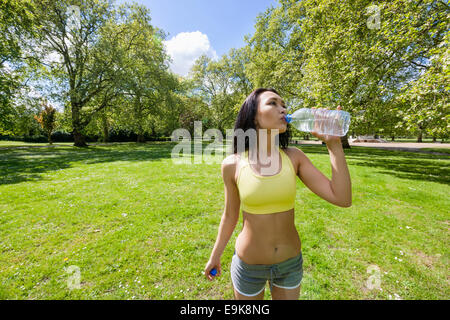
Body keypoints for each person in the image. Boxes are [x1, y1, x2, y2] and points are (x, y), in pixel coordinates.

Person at [204, 88, 352, 300]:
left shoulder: (294, 157)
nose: (282, 108)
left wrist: (334, 144)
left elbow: (342, 198)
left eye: (283, 104)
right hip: (249, 267)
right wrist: (215, 256)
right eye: (273, 103)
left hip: (289, 265)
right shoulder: (232, 164)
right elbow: (229, 216)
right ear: (253, 116)